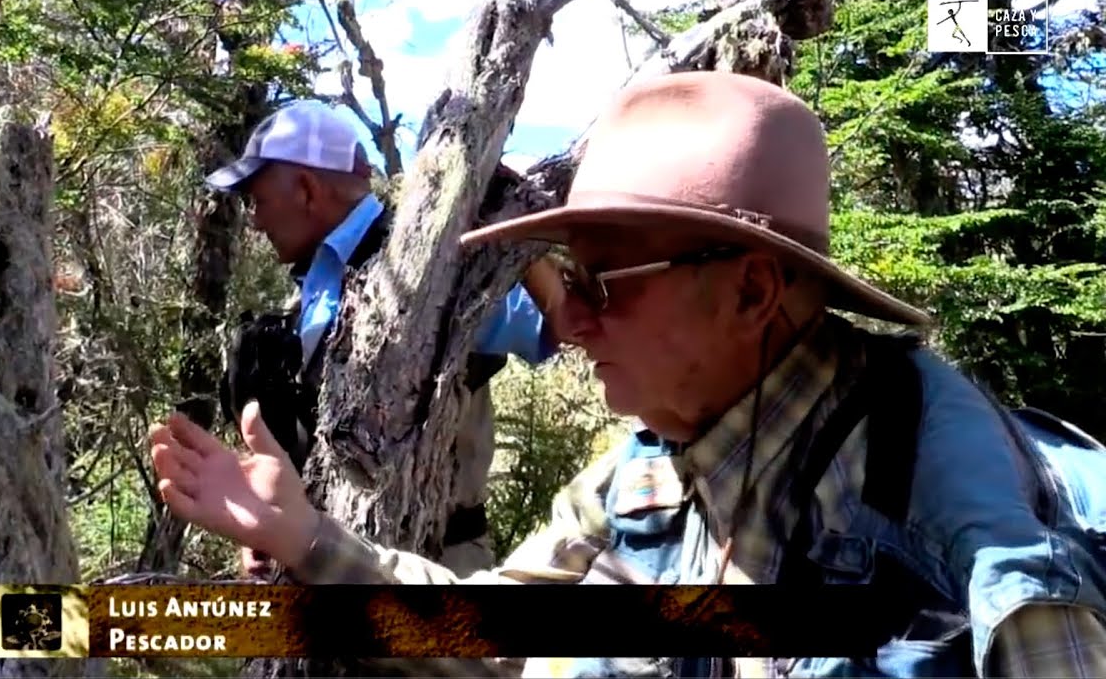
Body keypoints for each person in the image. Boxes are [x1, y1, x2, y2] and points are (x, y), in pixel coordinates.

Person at [149, 73, 1106, 677]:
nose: (571, 315)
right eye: (568, 277)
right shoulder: (647, 469)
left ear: (750, 291)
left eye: (603, 281)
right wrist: (306, 535)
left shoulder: (958, 523)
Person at [203, 99, 564, 576]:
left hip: (428, 569)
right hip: (318, 558)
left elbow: (558, 327)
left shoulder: (437, 264)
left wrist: (518, 228)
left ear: (308, 190)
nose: (255, 220)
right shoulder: (314, 280)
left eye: (258, 200)